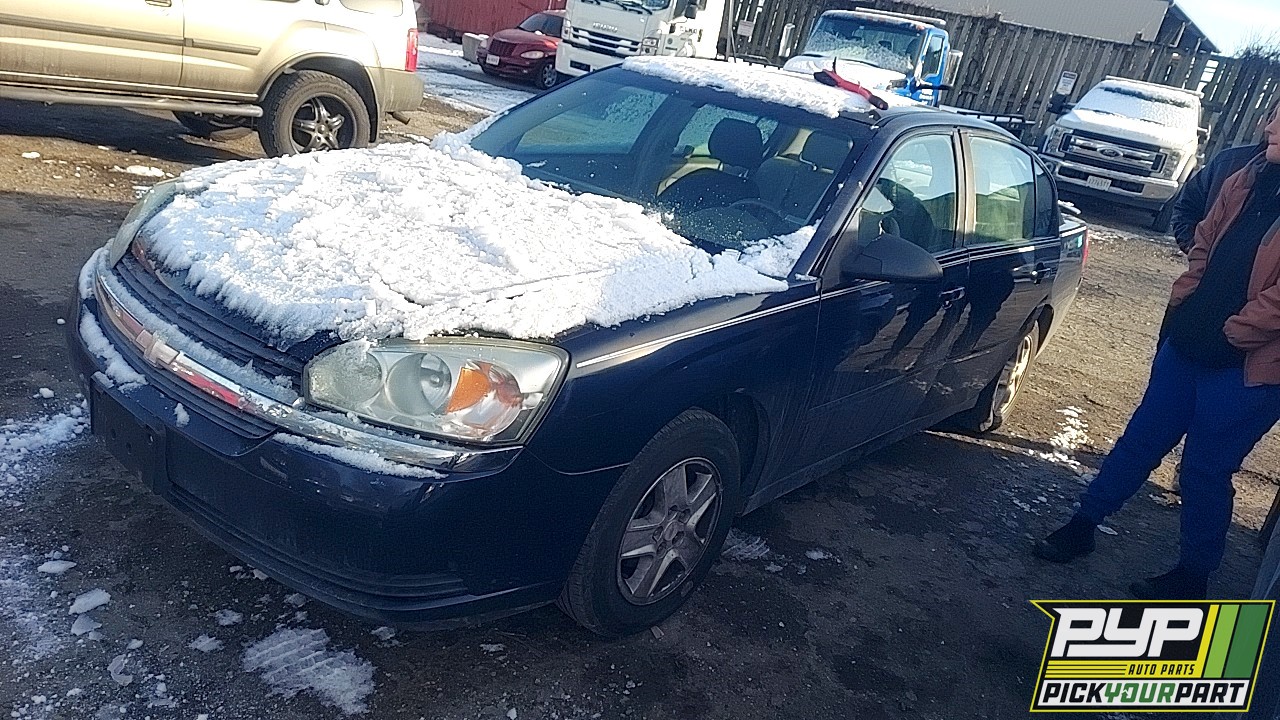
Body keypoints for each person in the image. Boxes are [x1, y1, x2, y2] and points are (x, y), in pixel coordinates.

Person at [1032, 102, 1280, 600]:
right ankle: (1084, 525)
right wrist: (1188, 295)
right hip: (1188, 344)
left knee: (1204, 471)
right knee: (1140, 439)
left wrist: (1235, 333)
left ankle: (1193, 575)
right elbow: (1205, 234)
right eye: (1272, 117)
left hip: (1247, 369)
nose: (1267, 127)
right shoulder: (1249, 173)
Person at [1171, 102, 1277, 253]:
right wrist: (1199, 252)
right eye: (1272, 118)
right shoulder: (1228, 163)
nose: (1270, 127)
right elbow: (1187, 207)